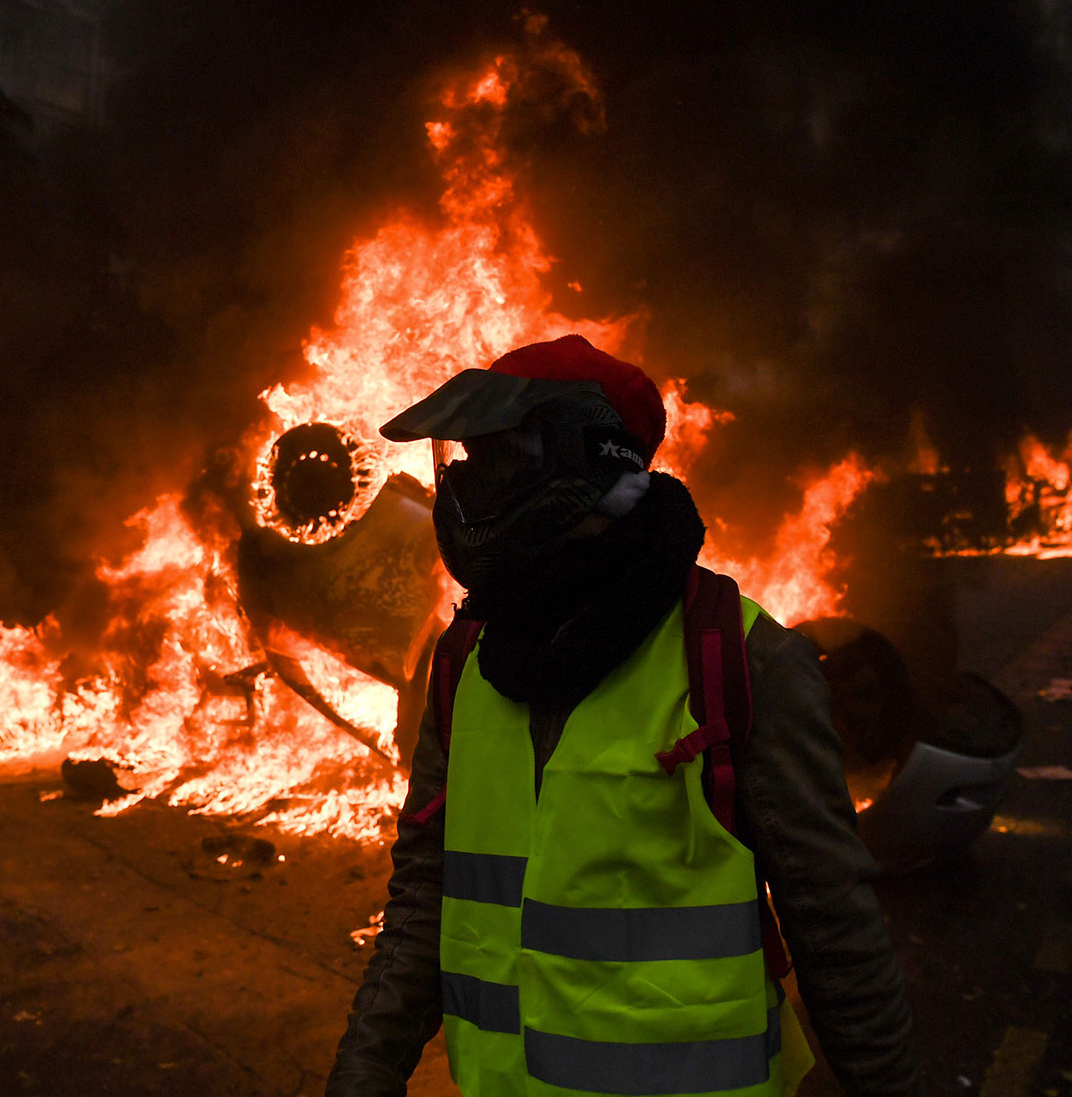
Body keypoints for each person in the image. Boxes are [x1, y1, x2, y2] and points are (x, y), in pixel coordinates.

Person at [327, 335, 921, 1097]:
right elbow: (421, 906)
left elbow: (839, 940)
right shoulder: (465, 660)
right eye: (464, 461)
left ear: (591, 460)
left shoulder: (739, 662)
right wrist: (361, 1076)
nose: (471, 484)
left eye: (500, 456)